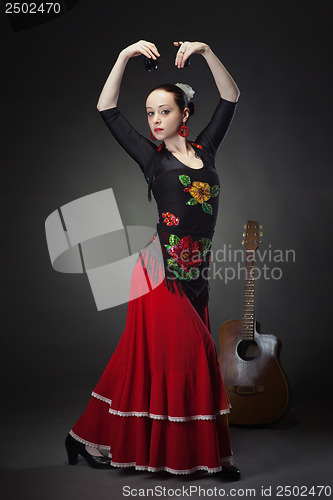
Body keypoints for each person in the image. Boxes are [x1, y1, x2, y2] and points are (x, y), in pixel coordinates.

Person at [65, 40, 241, 479]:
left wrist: (205, 51)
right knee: (195, 352)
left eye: (164, 111)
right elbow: (107, 109)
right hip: (161, 271)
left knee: (138, 359)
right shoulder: (152, 159)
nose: (156, 120)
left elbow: (231, 96)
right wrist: (123, 56)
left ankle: (82, 435)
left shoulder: (207, 151)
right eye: (150, 113)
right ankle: (206, 458)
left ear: (185, 114)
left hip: (197, 270)